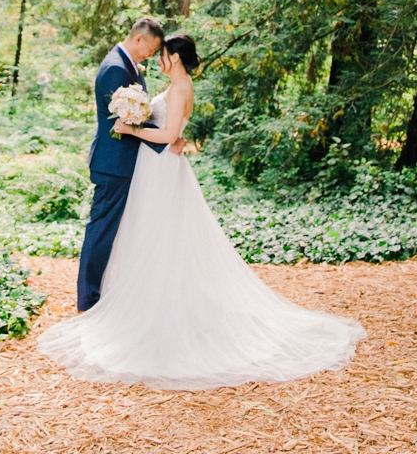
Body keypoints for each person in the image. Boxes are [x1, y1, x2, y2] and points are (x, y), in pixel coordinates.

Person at [41, 33, 365, 391]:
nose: (157, 60)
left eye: (162, 55)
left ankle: (160, 315)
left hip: (161, 171)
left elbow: (166, 136)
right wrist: (154, 129)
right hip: (153, 168)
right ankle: (144, 307)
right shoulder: (175, 85)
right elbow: (168, 131)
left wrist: (131, 127)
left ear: (174, 58)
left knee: (161, 237)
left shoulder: (180, 89)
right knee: (151, 238)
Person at [75, 16, 166, 312]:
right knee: (101, 229)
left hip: (121, 162)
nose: (149, 57)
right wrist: (164, 140)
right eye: (150, 51)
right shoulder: (115, 67)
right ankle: (88, 300)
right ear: (139, 39)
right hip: (113, 163)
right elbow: (125, 120)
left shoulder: (125, 64)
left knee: (109, 229)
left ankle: (100, 291)